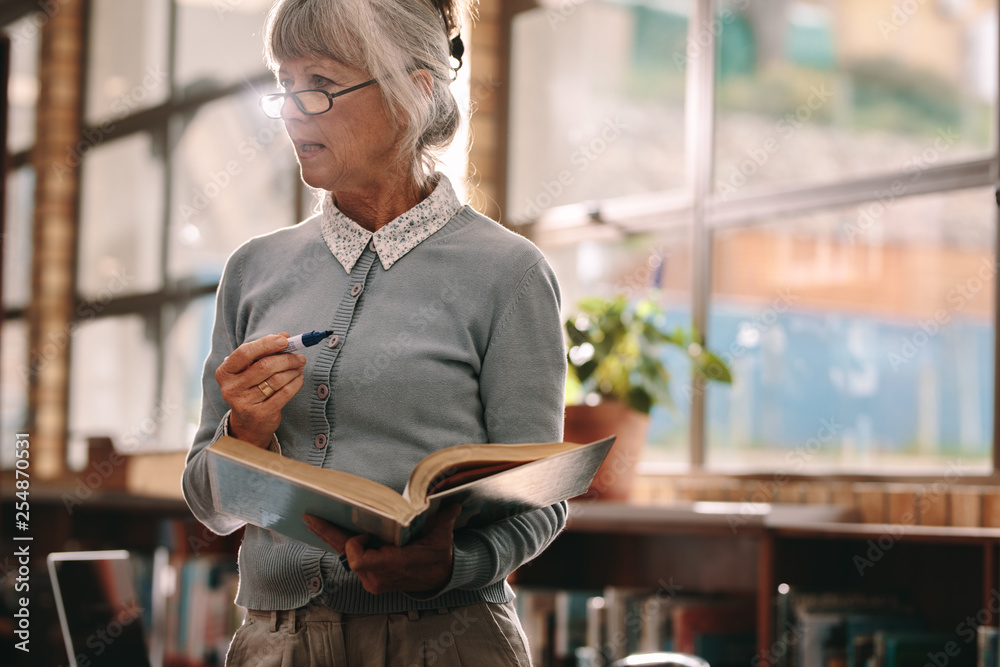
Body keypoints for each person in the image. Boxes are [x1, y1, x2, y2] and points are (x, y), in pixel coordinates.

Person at [180, 0, 568, 664]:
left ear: (414, 90)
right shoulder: (253, 270)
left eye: (321, 85)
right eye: (285, 86)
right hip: (276, 645)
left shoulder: (510, 274)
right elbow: (209, 505)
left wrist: (456, 563)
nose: (295, 111)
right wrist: (244, 433)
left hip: (450, 640)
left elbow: (538, 501)